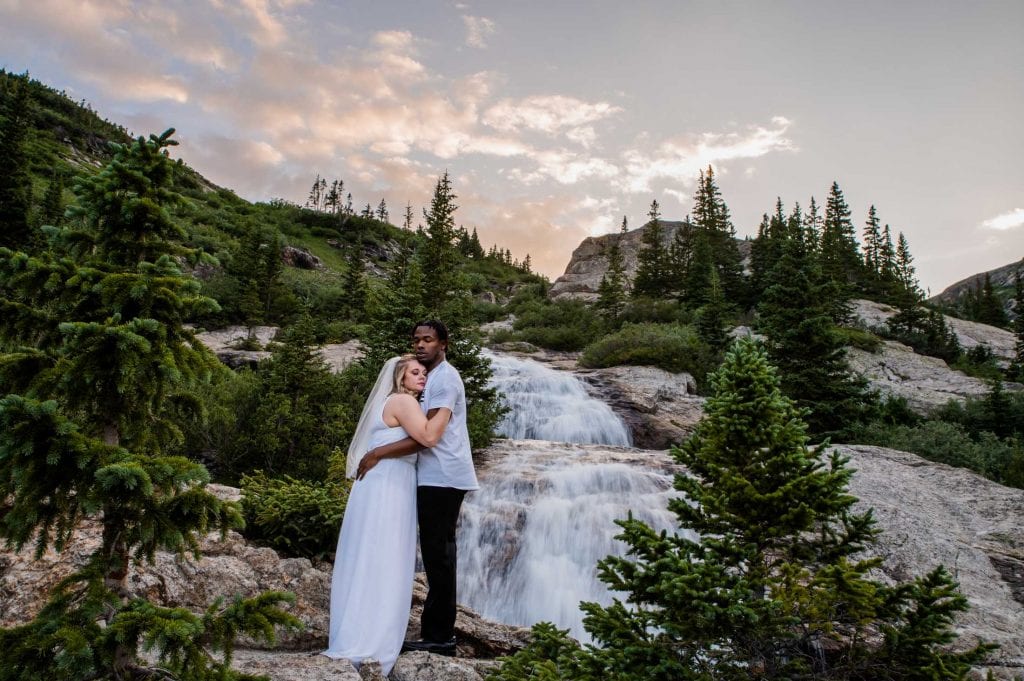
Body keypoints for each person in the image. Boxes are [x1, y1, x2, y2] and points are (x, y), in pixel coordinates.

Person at [323, 354, 450, 675]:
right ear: (400, 378)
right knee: (386, 557)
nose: (422, 377)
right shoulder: (405, 402)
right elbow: (427, 437)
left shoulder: (396, 402)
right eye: (415, 373)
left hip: (381, 486)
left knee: (369, 555)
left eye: (424, 373)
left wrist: (378, 452)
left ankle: (358, 629)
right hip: (389, 489)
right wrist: (449, 405)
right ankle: (374, 640)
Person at [358, 320, 478, 657]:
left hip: (443, 476)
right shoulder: (430, 379)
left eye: (428, 340)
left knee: (438, 556)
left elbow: (429, 437)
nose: (421, 345)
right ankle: (437, 632)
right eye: (416, 340)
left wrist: (378, 453)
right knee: (438, 554)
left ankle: (439, 637)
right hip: (434, 476)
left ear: (444, 344)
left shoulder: (445, 380)